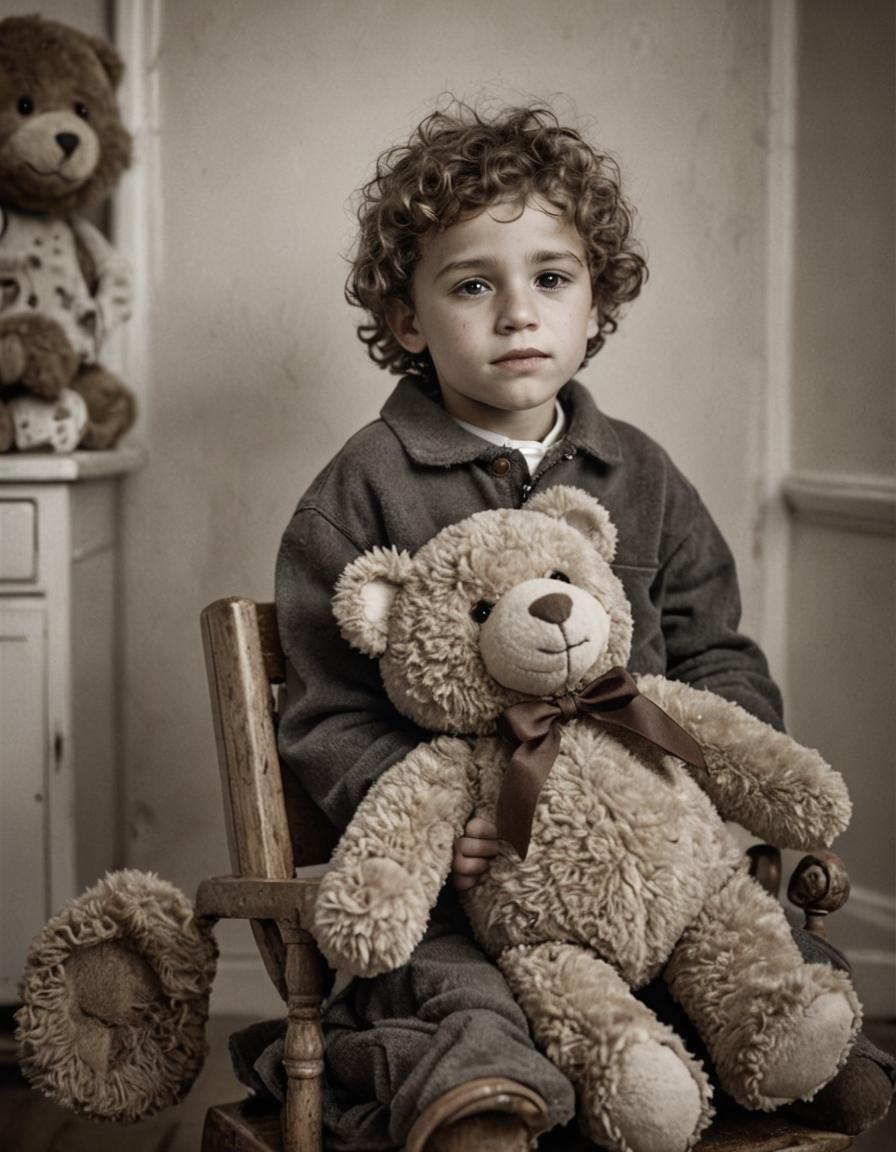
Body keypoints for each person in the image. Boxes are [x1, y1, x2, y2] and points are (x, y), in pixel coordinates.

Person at [266, 103, 894, 1152]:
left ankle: (793, 1057)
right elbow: (325, 712)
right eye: (473, 284)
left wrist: (692, 779)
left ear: (594, 298)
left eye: (550, 279)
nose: (518, 313)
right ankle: (485, 1096)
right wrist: (433, 826)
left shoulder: (637, 474)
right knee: (446, 992)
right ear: (409, 316)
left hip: (644, 859)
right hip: (471, 884)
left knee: (757, 942)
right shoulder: (363, 488)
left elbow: (713, 653)